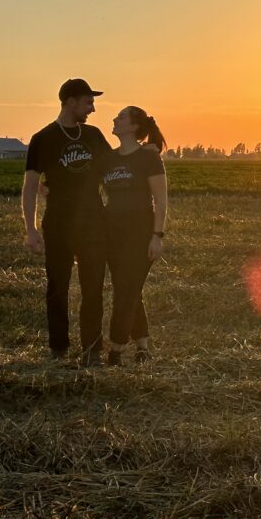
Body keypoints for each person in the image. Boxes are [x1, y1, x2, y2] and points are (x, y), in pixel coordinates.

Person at [22, 78, 112, 365]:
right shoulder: (43, 139)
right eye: (88, 102)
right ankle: (58, 348)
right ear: (70, 102)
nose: (93, 108)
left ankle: (92, 350)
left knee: (93, 287)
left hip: (94, 224)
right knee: (57, 287)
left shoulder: (95, 136)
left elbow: (115, 170)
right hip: (58, 224)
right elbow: (30, 185)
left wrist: (146, 151)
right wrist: (31, 229)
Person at [99, 106, 167, 366]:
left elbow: (160, 201)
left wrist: (157, 235)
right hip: (112, 232)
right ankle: (143, 347)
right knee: (128, 289)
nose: (115, 119)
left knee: (126, 290)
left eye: (122, 116)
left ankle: (115, 350)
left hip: (141, 233)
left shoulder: (149, 158)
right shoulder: (109, 158)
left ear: (135, 126)